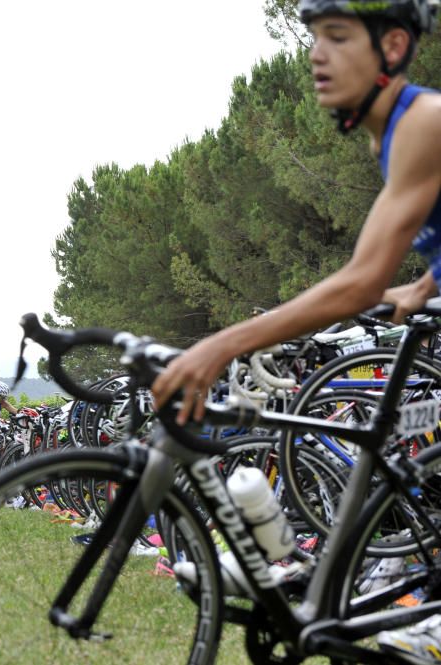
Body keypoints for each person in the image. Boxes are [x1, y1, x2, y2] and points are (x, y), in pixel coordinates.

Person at [152, 0, 440, 658]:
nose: (316, 54)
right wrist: (420, 289)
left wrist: (224, 341)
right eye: (313, 38)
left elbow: (360, 278)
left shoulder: (423, 120)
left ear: (393, 45)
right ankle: (305, 569)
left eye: (338, 37)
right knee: (397, 445)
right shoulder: (391, 134)